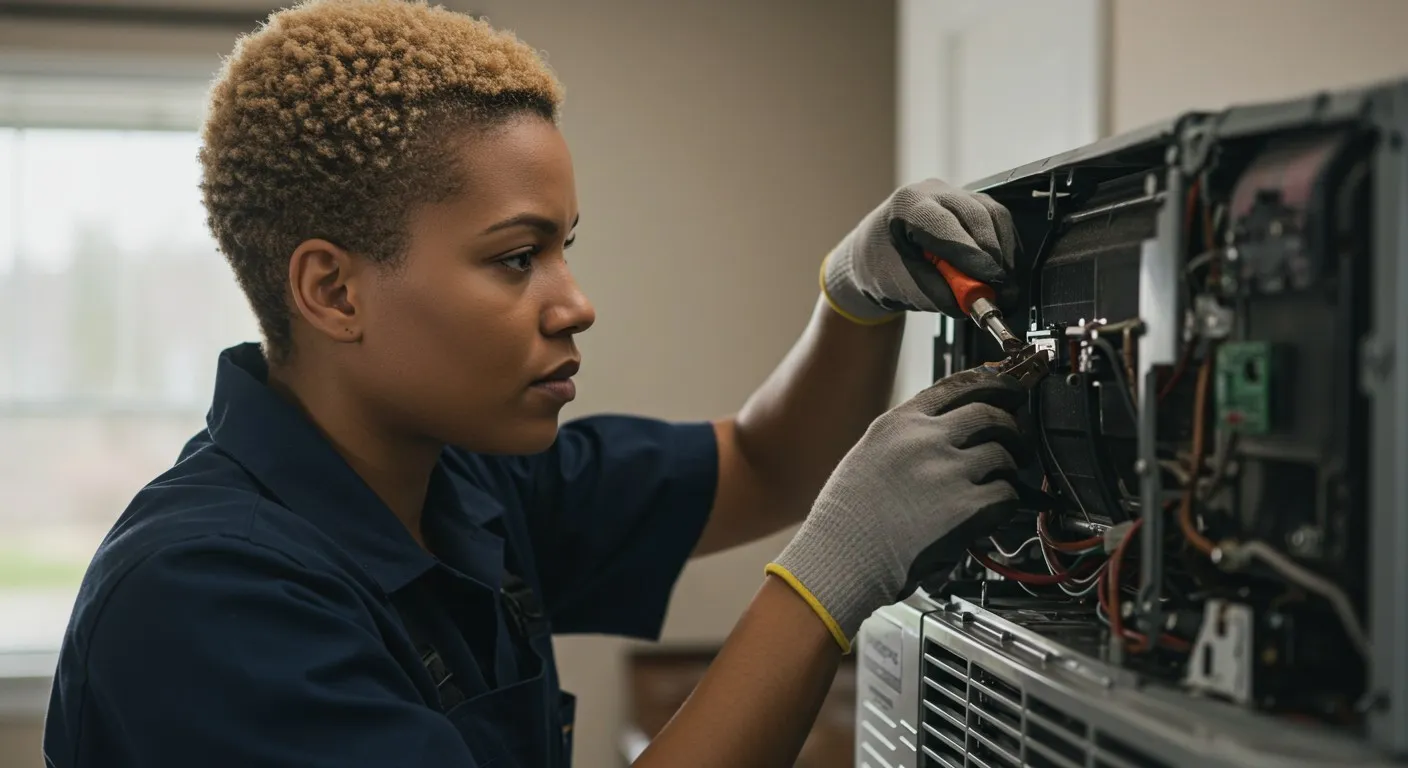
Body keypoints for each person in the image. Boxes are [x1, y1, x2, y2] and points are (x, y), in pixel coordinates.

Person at [41, 1, 1027, 766]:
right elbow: (803, 506)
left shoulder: (461, 484)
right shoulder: (203, 599)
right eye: (518, 258)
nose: (574, 303)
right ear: (333, 289)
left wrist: (850, 298)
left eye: (565, 248)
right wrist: (826, 581)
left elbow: (769, 464)